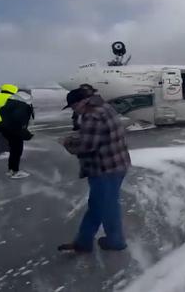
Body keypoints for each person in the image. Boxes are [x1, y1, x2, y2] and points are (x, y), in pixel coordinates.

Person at [58, 88, 131, 253]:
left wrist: (67, 142)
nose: (74, 110)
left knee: (107, 207)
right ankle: (83, 242)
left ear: (82, 102)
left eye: (73, 106)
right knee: (97, 206)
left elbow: (87, 146)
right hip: (116, 164)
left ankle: (116, 241)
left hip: (105, 168)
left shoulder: (92, 115)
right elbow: (99, 136)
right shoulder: (105, 107)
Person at [0, 90, 35, 179]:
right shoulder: (22, 106)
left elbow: (1, 111)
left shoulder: (10, 103)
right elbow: (19, 121)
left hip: (6, 129)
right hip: (14, 131)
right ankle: (14, 171)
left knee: (14, 150)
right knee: (17, 150)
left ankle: (11, 170)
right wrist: (25, 133)